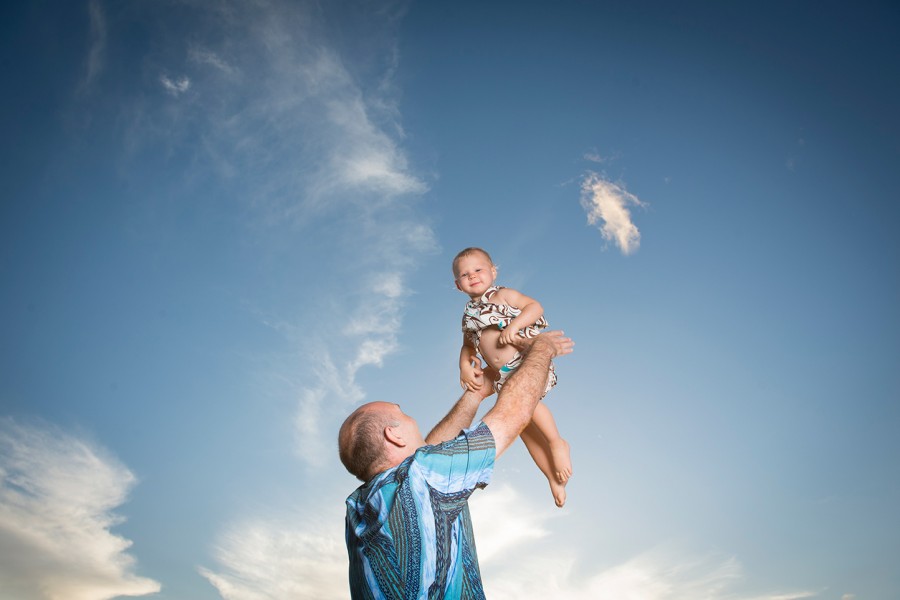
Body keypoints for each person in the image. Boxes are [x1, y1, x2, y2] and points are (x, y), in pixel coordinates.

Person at [340, 331, 574, 600]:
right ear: (394, 435)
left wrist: (475, 396)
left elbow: (428, 456)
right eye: (403, 414)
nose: (411, 418)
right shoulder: (422, 478)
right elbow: (513, 415)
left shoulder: (359, 509)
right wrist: (541, 349)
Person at [452, 247, 572, 508]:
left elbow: (535, 307)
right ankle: (551, 477)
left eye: (478, 269)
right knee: (523, 429)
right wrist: (464, 365)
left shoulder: (503, 295)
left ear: (493, 271)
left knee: (531, 406)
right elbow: (467, 346)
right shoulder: (468, 316)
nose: (472, 276)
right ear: (458, 285)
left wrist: (516, 326)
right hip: (500, 378)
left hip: (522, 365)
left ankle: (557, 442)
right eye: (464, 274)